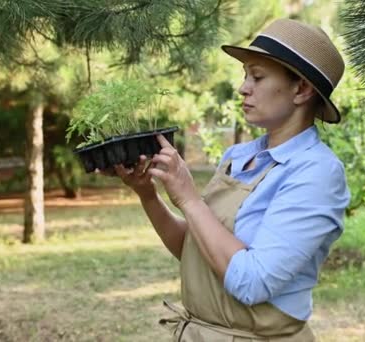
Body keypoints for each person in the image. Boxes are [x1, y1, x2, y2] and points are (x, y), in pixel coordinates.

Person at [101, 18, 350, 341]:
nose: (243, 87)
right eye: (245, 75)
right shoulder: (238, 156)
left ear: (301, 89)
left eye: (257, 77)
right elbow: (197, 250)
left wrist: (189, 198)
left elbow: (252, 282)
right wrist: (149, 195)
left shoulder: (316, 173)